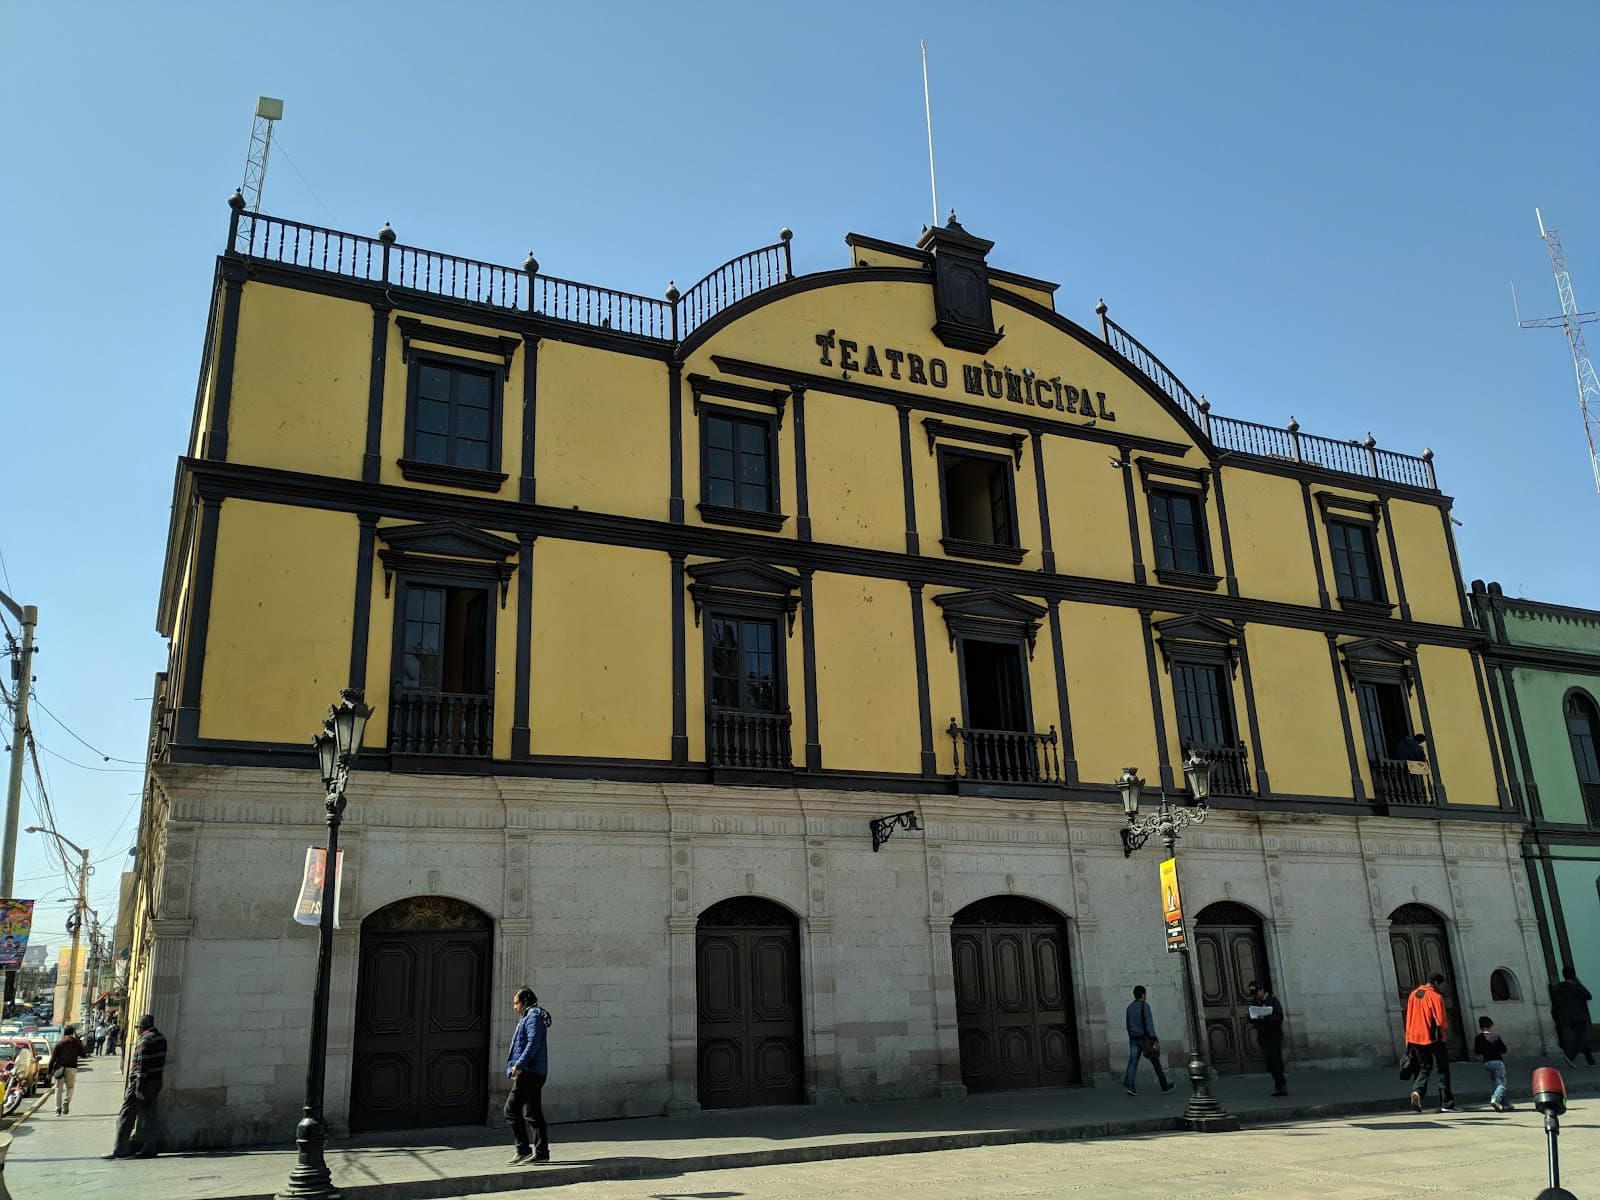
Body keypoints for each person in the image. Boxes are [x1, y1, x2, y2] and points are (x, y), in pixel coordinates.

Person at [104, 1013, 166, 1160]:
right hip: (156, 1082)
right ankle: (150, 1148)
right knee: (150, 1117)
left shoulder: (144, 1041)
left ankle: (119, 1149)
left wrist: (138, 1087)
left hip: (142, 1084)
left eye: (137, 1027)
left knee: (126, 1116)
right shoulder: (161, 1039)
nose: (136, 1030)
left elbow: (141, 1065)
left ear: (141, 1027)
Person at [503, 986, 553, 1165]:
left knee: (510, 1109)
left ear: (525, 1002)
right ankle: (541, 1153)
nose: (514, 1007)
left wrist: (519, 1065)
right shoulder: (530, 1016)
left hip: (531, 1072)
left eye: (516, 1003)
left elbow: (532, 1043)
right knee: (533, 1113)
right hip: (535, 1072)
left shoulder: (532, 1017)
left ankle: (523, 1150)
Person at [1404, 973, 1455, 1113]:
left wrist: (1407, 1038)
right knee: (1442, 1069)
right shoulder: (1436, 997)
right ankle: (1447, 1103)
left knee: (1424, 1066)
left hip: (1414, 1037)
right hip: (1433, 1037)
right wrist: (1445, 1032)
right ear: (1436, 983)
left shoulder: (1413, 995)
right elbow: (1441, 1021)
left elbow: (1408, 1017)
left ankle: (1417, 1091)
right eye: (1440, 985)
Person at [1122, 985, 1176, 1097]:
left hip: (1133, 1038)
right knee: (1156, 1062)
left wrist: (1132, 1035)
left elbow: (1128, 1025)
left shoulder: (1129, 1008)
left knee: (1133, 1062)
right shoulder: (1145, 1006)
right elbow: (1149, 1024)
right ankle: (1164, 1086)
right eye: (1145, 994)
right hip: (1145, 1039)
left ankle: (1130, 1086)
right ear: (1142, 995)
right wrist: (1154, 1039)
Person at [1247, 980, 1288, 1096]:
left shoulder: (1272, 1000)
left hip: (1274, 1035)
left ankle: (1281, 1086)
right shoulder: (1255, 1003)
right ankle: (1278, 1084)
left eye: (1256, 993)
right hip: (1263, 1036)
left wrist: (1265, 1017)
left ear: (1261, 990)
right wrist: (1254, 1017)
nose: (1255, 996)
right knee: (1269, 1062)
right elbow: (1249, 1017)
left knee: (1275, 1060)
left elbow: (1279, 1016)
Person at [1550, 966, 1595, 1068]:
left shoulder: (1558, 988)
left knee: (1581, 1037)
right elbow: (1588, 995)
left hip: (1567, 1018)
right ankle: (1569, 1056)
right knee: (1581, 1038)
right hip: (1579, 1016)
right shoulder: (1576, 986)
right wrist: (1579, 983)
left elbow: (1555, 1004)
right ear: (1573, 974)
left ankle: (1590, 1060)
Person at [1473, 1016, 1511, 1112]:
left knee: (1496, 1083)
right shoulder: (1495, 1036)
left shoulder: (1478, 1038)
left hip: (1487, 1063)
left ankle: (1506, 1104)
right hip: (1497, 1062)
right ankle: (1495, 1099)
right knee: (1501, 1083)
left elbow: (1477, 1051)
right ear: (1491, 1026)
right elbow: (1504, 1050)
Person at [47, 1024, 86, 1115]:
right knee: (70, 1087)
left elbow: (53, 1058)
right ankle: (67, 1100)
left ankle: (57, 1109)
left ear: (64, 1033)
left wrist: (49, 1072)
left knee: (58, 1089)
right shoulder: (76, 1043)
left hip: (60, 1068)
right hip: (72, 1068)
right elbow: (83, 1054)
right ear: (73, 1033)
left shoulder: (60, 1043)